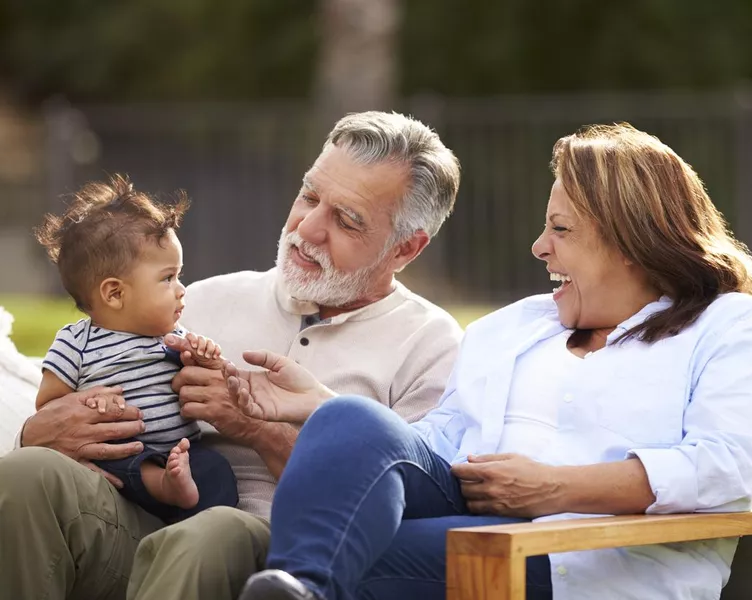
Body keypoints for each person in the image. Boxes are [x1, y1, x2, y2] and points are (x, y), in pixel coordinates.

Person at [232, 123, 752, 600]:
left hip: (591, 560)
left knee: (360, 554)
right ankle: (300, 587)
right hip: (473, 507)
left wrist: (556, 489)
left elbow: (731, 466)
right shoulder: (518, 325)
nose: (539, 247)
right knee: (348, 419)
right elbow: (444, 439)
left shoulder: (726, 326)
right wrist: (329, 413)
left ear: (631, 242)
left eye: (561, 228)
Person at [0, 110, 463, 600]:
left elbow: (402, 514)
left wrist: (254, 429)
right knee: (26, 474)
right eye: (309, 196)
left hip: (275, 558)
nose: (308, 228)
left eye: (347, 220)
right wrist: (42, 432)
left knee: (214, 532)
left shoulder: (431, 347)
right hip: (146, 519)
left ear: (405, 249)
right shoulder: (200, 299)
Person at [33, 174, 238, 523]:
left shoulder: (171, 336)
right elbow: (48, 407)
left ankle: (196, 528)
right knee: (119, 462)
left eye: (179, 275)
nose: (181, 289)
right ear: (114, 293)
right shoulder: (75, 343)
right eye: (167, 277)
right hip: (123, 459)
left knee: (216, 470)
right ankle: (165, 486)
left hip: (182, 451)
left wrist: (204, 357)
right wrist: (92, 401)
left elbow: (202, 378)